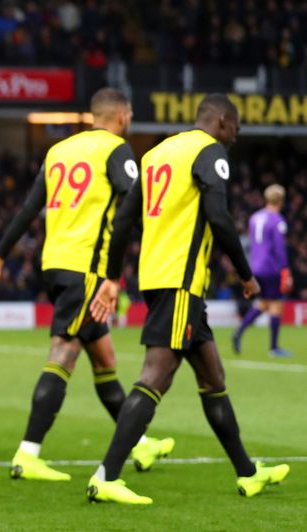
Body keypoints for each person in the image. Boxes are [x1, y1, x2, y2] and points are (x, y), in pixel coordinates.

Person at [87, 94, 290, 504]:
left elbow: (125, 219)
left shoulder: (159, 153)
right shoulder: (209, 151)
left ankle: (247, 473)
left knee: (213, 377)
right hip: (180, 279)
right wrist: (246, 274)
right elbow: (219, 216)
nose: (235, 137)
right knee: (154, 376)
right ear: (220, 121)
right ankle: (105, 475)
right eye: (234, 128)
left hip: (164, 278)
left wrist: (113, 276)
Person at [0, 88, 173, 481]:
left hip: (56, 264)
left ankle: (140, 443)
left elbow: (30, 207)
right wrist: (117, 274)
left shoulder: (59, 151)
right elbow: (132, 203)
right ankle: (28, 453)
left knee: (105, 359)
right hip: (87, 270)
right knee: (62, 356)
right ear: (123, 114)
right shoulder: (116, 150)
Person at [232, 184, 292, 357]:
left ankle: (239, 331)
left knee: (264, 303)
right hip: (271, 267)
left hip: (256, 266)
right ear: (280, 200)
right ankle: (274, 348)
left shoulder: (255, 218)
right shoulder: (278, 220)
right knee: (276, 304)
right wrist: (285, 271)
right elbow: (279, 249)